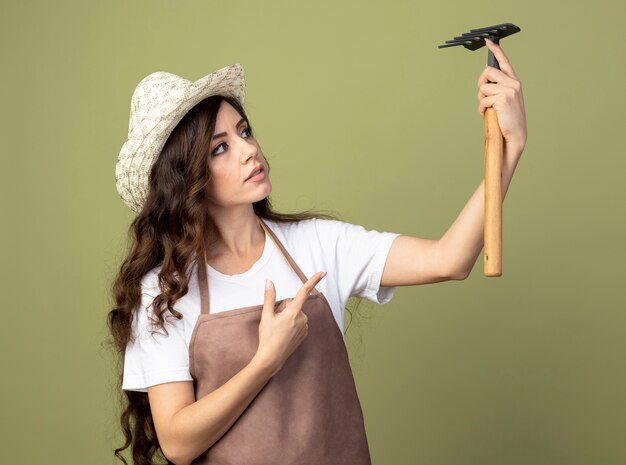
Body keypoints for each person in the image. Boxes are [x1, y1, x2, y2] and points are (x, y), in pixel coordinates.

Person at [108, 40, 526, 465]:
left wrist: (508, 148)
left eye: (244, 131)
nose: (249, 149)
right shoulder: (163, 292)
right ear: (186, 179)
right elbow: (178, 444)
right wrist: (264, 361)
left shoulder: (317, 244)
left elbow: (450, 259)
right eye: (221, 148)